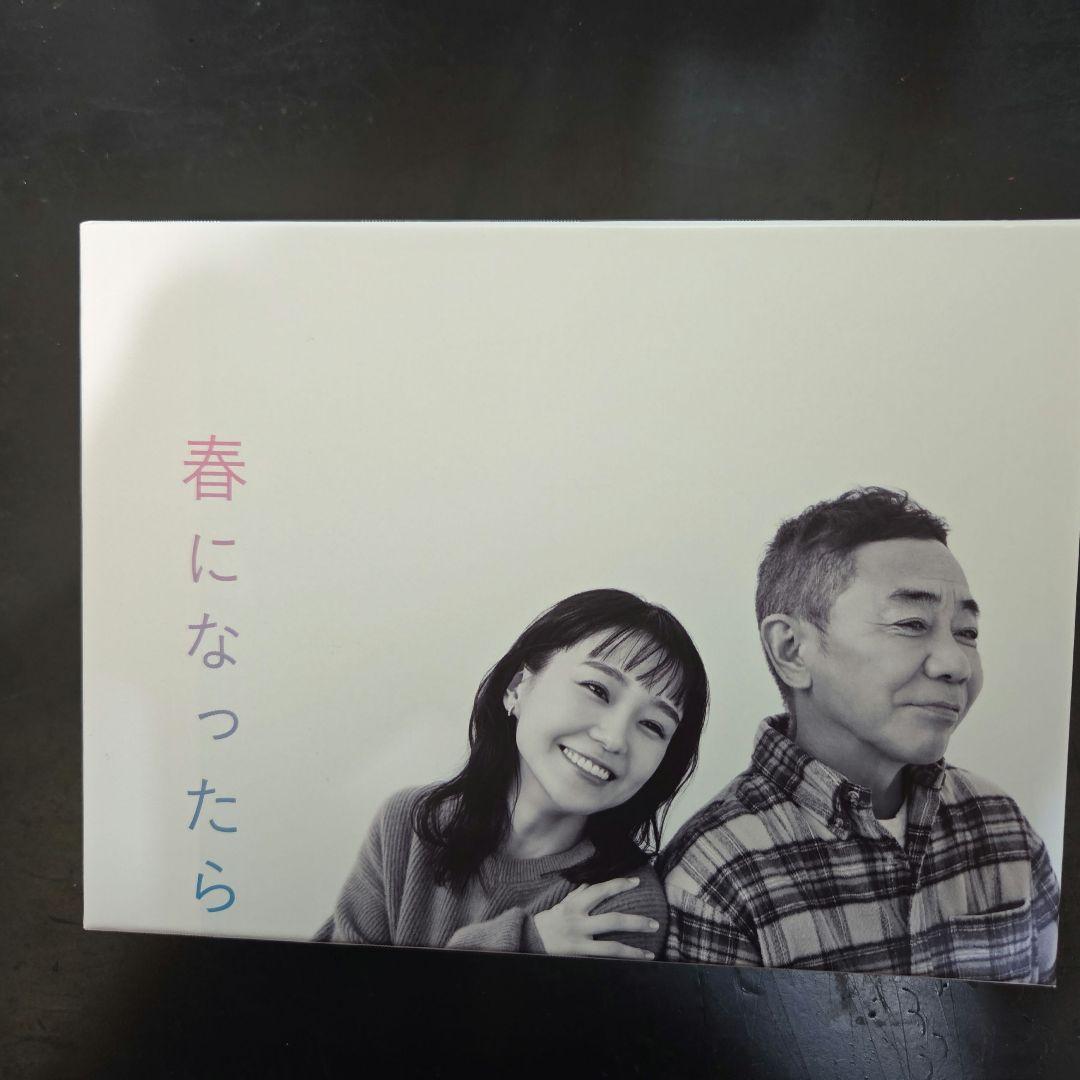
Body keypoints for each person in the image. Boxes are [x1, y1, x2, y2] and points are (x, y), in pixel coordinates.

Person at [661, 487, 1059, 983]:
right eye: (911, 623)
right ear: (792, 649)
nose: (956, 663)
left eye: (967, 632)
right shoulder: (715, 873)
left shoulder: (1001, 824)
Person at [317, 588, 709, 960]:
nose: (614, 739)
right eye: (597, 689)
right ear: (518, 687)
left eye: (653, 726)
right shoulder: (409, 821)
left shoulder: (623, 903)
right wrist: (525, 942)